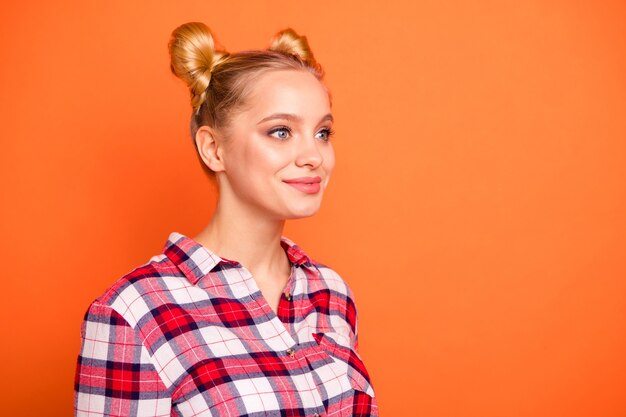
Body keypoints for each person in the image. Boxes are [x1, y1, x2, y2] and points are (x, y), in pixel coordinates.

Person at [74, 21, 378, 417]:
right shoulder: (133, 314)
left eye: (323, 132)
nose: (314, 156)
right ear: (214, 149)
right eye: (281, 131)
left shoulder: (331, 293)